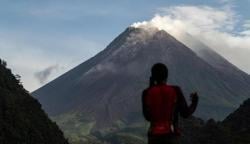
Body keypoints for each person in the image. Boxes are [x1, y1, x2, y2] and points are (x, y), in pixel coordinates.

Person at [142, 63, 199, 144]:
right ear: (166, 76)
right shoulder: (175, 90)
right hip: (171, 135)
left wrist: (151, 86)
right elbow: (185, 114)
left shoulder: (146, 93)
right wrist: (195, 101)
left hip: (154, 137)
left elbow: (147, 117)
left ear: (152, 77)